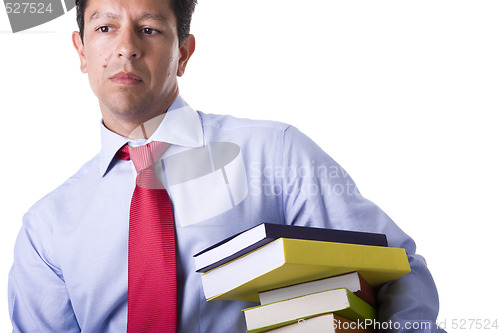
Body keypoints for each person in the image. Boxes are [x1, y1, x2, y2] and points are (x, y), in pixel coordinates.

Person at [8, 0, 445, 332]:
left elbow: (396, 269)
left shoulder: (274, 154)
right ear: (81, 50)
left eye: (149, 29)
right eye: (105, 28)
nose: (126, 48)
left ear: (184, 52)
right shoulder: (46, 228)